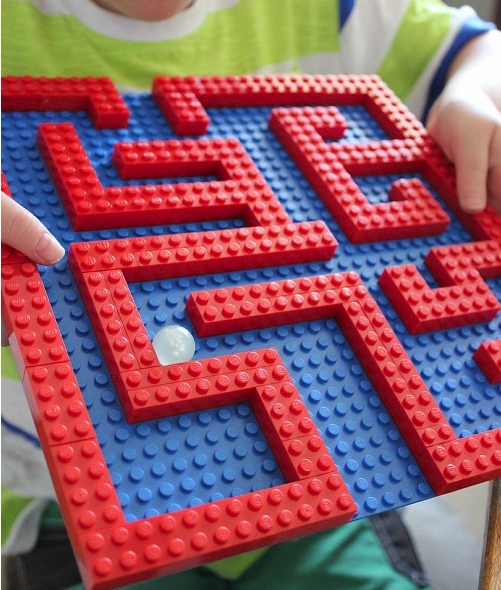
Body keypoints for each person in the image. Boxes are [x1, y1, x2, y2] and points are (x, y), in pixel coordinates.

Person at [1, 1, 500, 589]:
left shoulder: (328, 10)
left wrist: (476, 94)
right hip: (58, 488)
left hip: (317, 467)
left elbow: (478, 45)